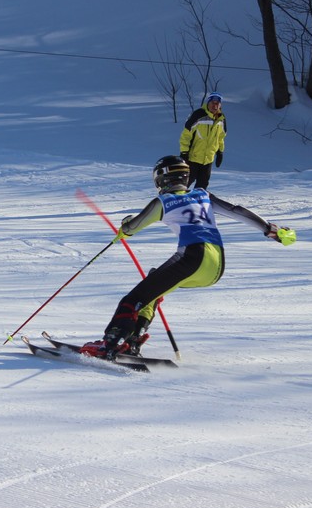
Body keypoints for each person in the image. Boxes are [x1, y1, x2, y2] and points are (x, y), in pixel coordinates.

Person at [81, 155, 294, 359]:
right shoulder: (203, 195)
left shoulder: (163, 202)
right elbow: (237, 211)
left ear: (161, 179)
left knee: (132, 300)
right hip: (216, 265)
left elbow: (132, 227)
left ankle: (111, 343)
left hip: (192, 257)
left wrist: (125, 226)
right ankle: (132, 341)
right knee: (152, 288)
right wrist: (269, 229)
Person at [179, 92, 226, 190]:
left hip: (208, 159)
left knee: (202, 186)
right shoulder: (198, 115)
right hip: (193, 157)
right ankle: (176, 202)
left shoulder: (221, 119)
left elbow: (221, 137)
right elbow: (186, 135)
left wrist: (220, 152)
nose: (215, 105)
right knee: (184, 184)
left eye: (217, 103)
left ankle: (196, 204)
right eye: (213, 102)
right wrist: (184, 152)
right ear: (208, 103)